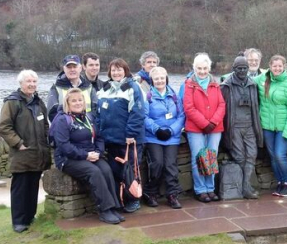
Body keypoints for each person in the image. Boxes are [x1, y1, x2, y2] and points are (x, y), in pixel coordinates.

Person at [50, 89, 124, 224]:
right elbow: (63, 145)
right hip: (68, 159)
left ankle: (114, 207)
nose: (78, 103)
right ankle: (104, 210)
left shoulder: (89, 117)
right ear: (67, 103)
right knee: (94, 172)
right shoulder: (62, 120)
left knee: (106, 169)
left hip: (91, 154)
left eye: (80, 100)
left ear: (84, 102)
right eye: (74, 100)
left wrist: (98, 152)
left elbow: (100, 138)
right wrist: (85, 155)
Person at [0, 70, 51, 233]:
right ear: (21, 83)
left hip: (38, 153)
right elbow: (3, 127)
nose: (32, 84)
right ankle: (19, 221)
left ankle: (30, 216)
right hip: (22, 154)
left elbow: (45, 125)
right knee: (20, 188)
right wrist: (18, 143)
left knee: (33, 186)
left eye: (34, 81)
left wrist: (47, 141)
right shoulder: (12, 103)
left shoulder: (38, 102)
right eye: (29, 81)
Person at [96, 58, 146, 213]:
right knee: (115, 171)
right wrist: (99, 133)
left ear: (125, 71)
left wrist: (130, 134)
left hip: (128, 140)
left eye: (119, 69)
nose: (116, 72)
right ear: (109, 72)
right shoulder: (104, 88)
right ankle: (119, 199)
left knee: (130, 171)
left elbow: (137, 113)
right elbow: (98, 114)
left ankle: (133, 200)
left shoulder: (132, 87)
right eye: (113, 70)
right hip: (110, 140)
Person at [255, 55, 287, 197]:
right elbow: (244, 79)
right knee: (273, 156)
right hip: (267, 126)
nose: (277, 68)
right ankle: (280, 183)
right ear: (270, 66)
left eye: (280, 66)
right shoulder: (262, 79)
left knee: (280, 155)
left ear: (284, 67)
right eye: (274, 66)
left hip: (283, 127)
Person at [184, 53, 226, 203]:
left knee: (211, 157)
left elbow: (221, 104)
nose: (202, 71)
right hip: (196, 128)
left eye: (204, 68)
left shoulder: (215, 83)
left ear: (209, 68)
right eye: (199, 68)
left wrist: (213, 122)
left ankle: (210, 188)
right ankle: (200, 190)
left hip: (215, 128)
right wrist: (204, 123)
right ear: (194, 68)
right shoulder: (189, 84)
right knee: (198, 158)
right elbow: (189, 108)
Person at [220, 56, 263, 199]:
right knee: (239, 156)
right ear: (234, 69)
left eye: (245, 68)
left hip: (250, 125)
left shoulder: (252, 84)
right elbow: (222, 108)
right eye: (239, 68)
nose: (243, 71)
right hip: (234, 127)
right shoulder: (226, 86)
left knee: (252, 154)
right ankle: (245, 187)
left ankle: (245, 186)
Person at [143, 66, 186, 209]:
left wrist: (171, 130)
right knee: (157, 164)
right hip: (153, 137)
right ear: (152, 80)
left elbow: (181, 116)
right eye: (156, 79)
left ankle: (172, 194)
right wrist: (157, 130)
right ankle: (151, 193)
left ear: (166, 78)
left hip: (172, 137)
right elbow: (144, 116)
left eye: (162, 78)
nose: (160, 81)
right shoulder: (148, 97)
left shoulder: (174, 96)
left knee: (170, 165)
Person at [47, 54, 98, 122]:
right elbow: (52, 113)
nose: (72, 69)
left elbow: (96, 110)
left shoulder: (89, 87)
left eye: (75, 66)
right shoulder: (55, 89)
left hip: (87, 128)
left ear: (80, 68)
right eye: (69, 67)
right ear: (64, 69)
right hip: (65, 129)